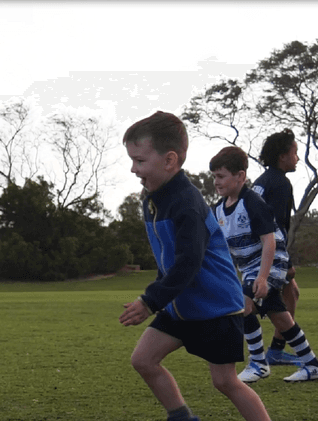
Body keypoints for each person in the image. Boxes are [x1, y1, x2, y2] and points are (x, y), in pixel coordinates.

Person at [119, 111, 271, 421]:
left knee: (225, 382)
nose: (133, 168)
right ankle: (183, 418)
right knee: (144, 360)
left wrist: (150, 301)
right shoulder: (151, 198)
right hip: (181, 306)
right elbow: (168, 260)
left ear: (170, 160)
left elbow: (188, 263)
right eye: (132, 160)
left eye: (140, 160)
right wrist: (160, 297)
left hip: (216, 309)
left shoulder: (187, 203)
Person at [210, 146, 318, 383]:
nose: (216, 182)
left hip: (270, 263)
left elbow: (269, 242)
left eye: (220, 176)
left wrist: (262, 278)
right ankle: (312, 365)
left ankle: (259, 363)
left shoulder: (252, 202)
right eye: (214, 177)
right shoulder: (219, 209)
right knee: (280, 317)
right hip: (249, 268)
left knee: (243, 304)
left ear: (240, 176)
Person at [251, 129, 303, 366]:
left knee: (291, 292)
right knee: (265, 300)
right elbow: (276, 224)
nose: (297, 158)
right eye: (295, 153)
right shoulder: (280, 183)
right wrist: (286, 262)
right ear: (282, 156)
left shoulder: (261, 182)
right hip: (267, 251)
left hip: (253, 250)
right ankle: (273, 352)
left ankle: (274, 350)